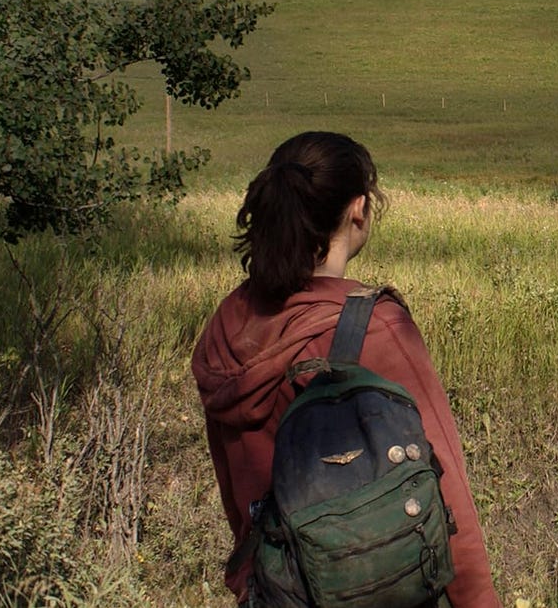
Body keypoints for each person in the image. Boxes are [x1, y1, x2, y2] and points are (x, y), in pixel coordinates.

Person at [193, 130, 500, 607]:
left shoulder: (227, 330)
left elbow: (237, 501)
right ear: (359, 209)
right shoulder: (376, 329)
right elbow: (446, 494)